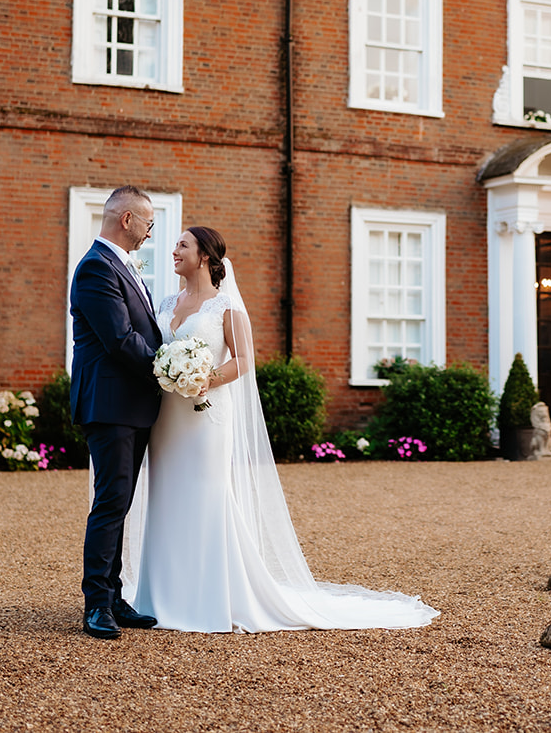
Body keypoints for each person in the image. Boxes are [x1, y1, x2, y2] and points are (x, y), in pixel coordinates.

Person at [123, 225, 438, 632]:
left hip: (205, 417)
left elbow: (244, 361)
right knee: (166, 496)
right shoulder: (166, 301)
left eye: (183, 245)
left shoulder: (226, 307)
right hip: (167, 417)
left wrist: (203, 378)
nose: (174, 251)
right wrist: (170, 373)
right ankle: (162, 595)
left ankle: (209, 598)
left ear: (204, 256)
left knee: (205, 496)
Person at [68, 185, 164, 640]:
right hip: (110, 404)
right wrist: (169, 371)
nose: (150, 233)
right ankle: (96, 605)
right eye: (148, 223)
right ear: (127, 220)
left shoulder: (123, 266)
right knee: (109, 503)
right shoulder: (95, 268)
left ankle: (114, 595)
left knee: (120, 502)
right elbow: (121, 340)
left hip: (132, 404)